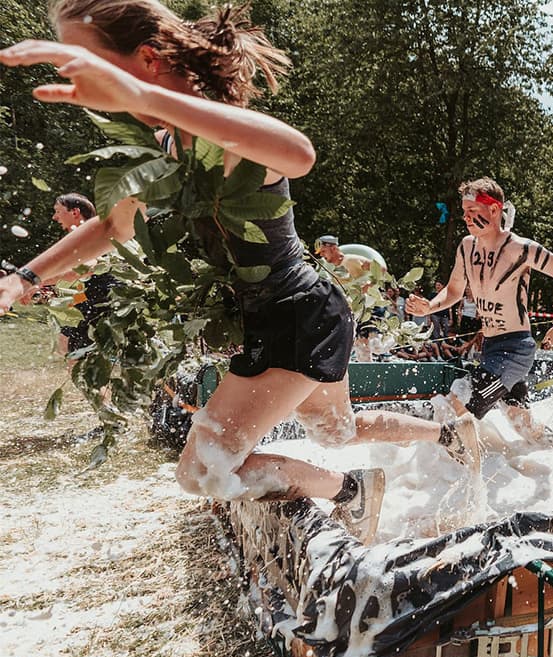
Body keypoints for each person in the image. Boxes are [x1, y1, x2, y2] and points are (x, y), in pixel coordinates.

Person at [0, 0, 481, 545]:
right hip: (305, 313)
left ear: (148, 58)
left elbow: (297, 153)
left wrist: (143, 97)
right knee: (336, 431)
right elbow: (112, 227)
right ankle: (447, 432)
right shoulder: (162, 146)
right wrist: (24, 278)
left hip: (295, 315)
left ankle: (352, 493)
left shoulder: (221, 134)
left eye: (83, 62)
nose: (76, 80)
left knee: (202, 472)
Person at [406, 177, 553, 439]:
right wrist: (428, 306)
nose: (467, 217)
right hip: (491, 348)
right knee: (524, 427)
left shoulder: (520, 248)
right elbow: (453, 291)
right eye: (464, 212)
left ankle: (458, 473)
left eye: (473, 211)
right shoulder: (466, 247)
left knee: (457, 406)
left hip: (515, 350)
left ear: (494, 210)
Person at [44, 193, 120, 359]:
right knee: (70, 344)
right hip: (96, 298)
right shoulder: (86, 233)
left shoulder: (88, 233)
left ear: (75, 212)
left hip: (106, 298)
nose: (55, 217)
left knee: (69, 344)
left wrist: (39, 282)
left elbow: (87, 268)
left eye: (58, 211)